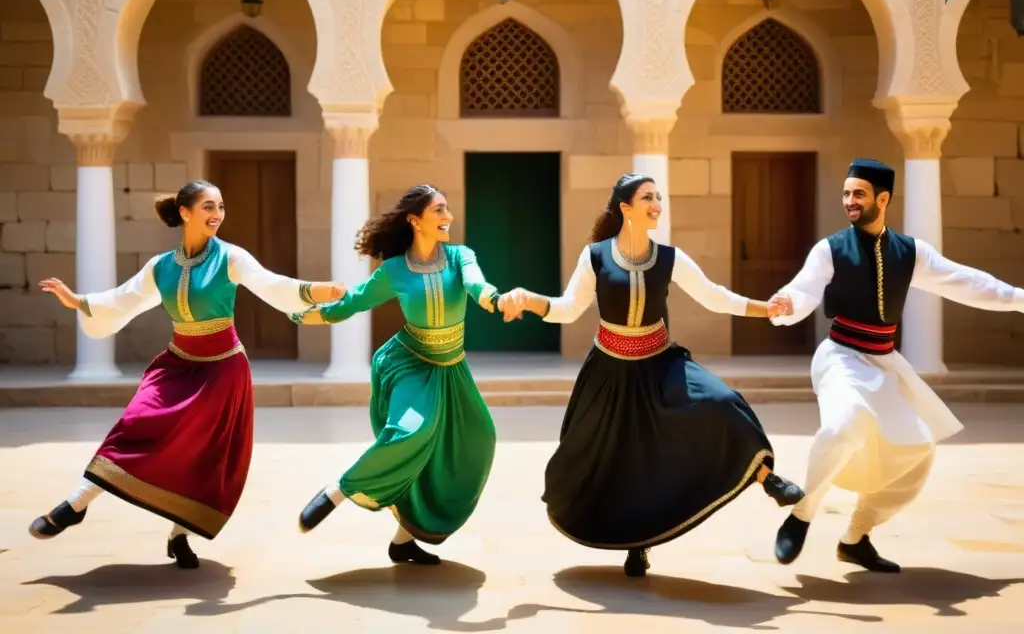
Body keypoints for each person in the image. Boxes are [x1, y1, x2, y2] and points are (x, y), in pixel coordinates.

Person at [497, 173, 804, 578]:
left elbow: (714, 296)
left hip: (660, 365)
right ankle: (636, 547)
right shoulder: (595, 257)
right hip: (609, 373)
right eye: (647, 197)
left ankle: (768, 479)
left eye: (659, 196)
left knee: (721, 402)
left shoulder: (670, 258)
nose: (656, 203)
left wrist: (764, 308)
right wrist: (530, 300)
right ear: (625, 208)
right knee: (625, 462)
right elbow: (569, 309)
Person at [30, 180, 345, 568]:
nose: (217, 215)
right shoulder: (161, 266)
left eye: (221, 207)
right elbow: (123, 299)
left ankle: (180, 535)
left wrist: (317, 290)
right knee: (134, 426)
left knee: (204, 457)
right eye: (208, 207)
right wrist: (77, 300)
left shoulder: (231, 258)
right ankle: (76, 504)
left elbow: (271, 285)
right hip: (178, 363)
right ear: (185, 213)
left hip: (224, 370)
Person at [768, 158, 1024, 573]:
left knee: (919, 450)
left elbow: (965, 281)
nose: (850, 201)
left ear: (882, 199)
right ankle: (802, 514)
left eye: (859, 194)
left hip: (887, 364)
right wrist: (784, 306)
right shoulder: (830, 249)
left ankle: (855, 536)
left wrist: (1017, 298)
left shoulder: (911, 251)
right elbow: (803, 290)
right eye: (847, 194)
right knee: (844, 423)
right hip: (841, 357)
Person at [291, 185, 507, 565]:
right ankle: (338, 491)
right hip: (409, 362)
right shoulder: (394, 271)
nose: (448, 217)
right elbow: (352, 302)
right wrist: (300, 313)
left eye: (447, 210)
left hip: (451, 367)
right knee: (412, 431)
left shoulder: (460, 257)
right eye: (439, 210)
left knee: (479, 437)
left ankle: (405, 539)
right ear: (415, 220)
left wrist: (495, 298)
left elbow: (476, 284)